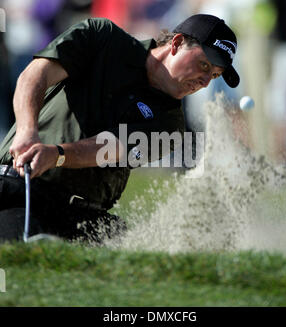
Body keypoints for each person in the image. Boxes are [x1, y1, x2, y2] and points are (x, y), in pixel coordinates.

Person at [0, 14, 239, 243]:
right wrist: (26, 130)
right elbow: (35, 75)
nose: (205, 82)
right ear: (177, 43)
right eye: (204, 65)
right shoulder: (102, 37)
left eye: (215, 75)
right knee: (23, 243)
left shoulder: (172, 127)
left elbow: (109, 149)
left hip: (84, 218)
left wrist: (57, 155)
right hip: (21, 186)